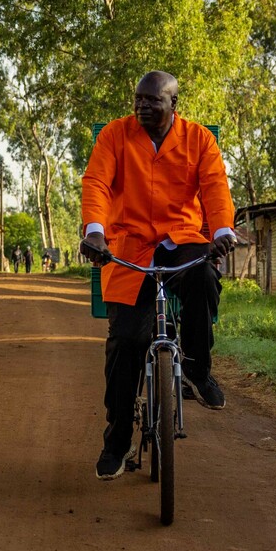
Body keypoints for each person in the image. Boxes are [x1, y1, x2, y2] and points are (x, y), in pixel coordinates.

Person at [78, 71, 236, 481]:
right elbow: (95, 182)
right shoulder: (114, 136)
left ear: (172, 105)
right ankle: (117, 440)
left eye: (152, 100)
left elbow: (216, 187)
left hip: (182, 237)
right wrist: (95, 229)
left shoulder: (199, 139)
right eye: (138, 99)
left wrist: (220, 231)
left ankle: (198, 369)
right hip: (129, 246)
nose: (142, 106)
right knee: (126, 341)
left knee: (202, 275)